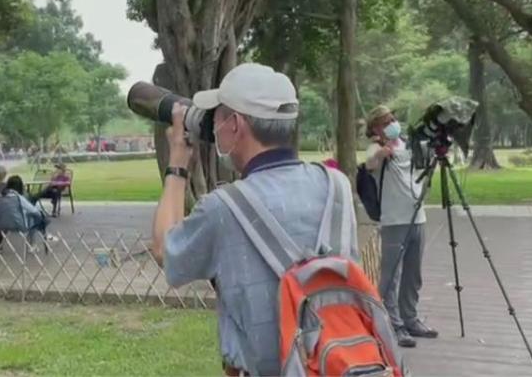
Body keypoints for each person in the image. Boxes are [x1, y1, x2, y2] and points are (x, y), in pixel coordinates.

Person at [151, 63, 358, 376]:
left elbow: (165, 251)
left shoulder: (223, 208)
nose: (213, 125)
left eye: (217, 116)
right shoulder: (336, 185)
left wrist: (178, 162)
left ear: (235, 124)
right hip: (337, 363)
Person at [365, 104, 438, 348]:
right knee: (391, 276)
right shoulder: (376, 149)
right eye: (385, 122)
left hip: (418, 217)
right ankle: (393, 324)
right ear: (376, 128)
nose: (391, 124)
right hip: (394, 221)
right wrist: (380, 153)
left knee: (413, 273)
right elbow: (370, 163)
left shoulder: (408, 145)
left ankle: (410, 318)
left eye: (392, 119)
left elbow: (425, 165)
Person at [0, 175, 53, 246]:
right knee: (34, 217)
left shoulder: (1, 197)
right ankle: (32, 244)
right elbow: (33, 211)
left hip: (1, 224)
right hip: (18, 225)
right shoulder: (19, 198)